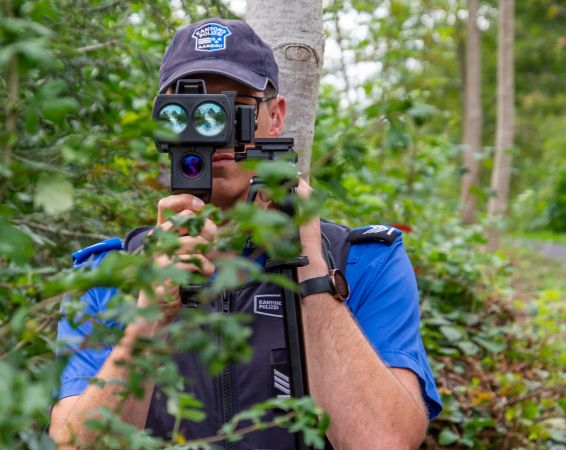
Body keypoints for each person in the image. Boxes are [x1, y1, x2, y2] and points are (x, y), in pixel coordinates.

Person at [50, 18, 442, 449]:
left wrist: (310, 265)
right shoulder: (107, 274)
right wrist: (148, 320)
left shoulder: (365, 262)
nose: (213, 130)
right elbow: (77, 443)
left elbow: (383, 442)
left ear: (276, 117)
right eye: (191, 110)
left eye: (234, 107)